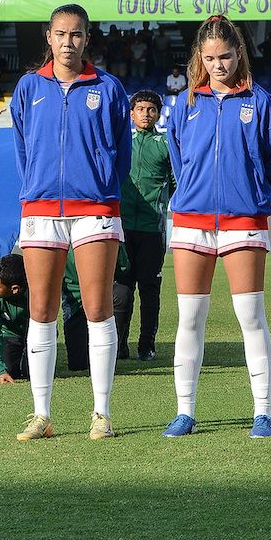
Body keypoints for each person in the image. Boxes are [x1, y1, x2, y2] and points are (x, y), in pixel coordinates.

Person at [160, 17, 271, 439]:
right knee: (190, 319)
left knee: (250, 316)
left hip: (243, 221)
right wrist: (196, 194)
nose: (218, 65)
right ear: (200, 57)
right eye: (210, 58)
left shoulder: (261, 102)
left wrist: (251, 196)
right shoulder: (186, 104)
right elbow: (180, 163)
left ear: (239, 54)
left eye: (226, 57)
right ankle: (185, 411)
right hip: (192, 222)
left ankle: (263, 411)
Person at [10, 3, 131, 440]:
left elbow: (122, 154)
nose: (68, 42)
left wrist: (100, 189)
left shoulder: (109, 88)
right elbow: (23, 149)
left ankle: (102, 414)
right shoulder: (28, 88)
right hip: (41, 211)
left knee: (98, 310)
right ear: (48, 37)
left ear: (87, 38)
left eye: (76, 34)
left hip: (95, 210)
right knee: (42, 311)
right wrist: (38, 189)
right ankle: (41, 415)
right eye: (60, 33)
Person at [113, 91, 173, 363]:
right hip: (123, 228)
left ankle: (146, 345)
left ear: (158, 113)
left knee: (150, 289)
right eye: (140, 109)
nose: (146, 114)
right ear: (131, 113)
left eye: (151, 109)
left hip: (152, 229)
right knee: (121, 288)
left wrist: (160, 206)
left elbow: (174, 182)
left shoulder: (165, 144)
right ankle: (119, 345)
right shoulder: (122, 142)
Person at [0, 254, 30, 384]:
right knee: (10, 371)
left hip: (36, 335)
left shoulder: (35, 292)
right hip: (11, 335)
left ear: (14, 289)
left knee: (32, 372)